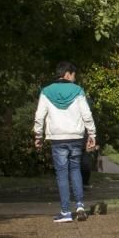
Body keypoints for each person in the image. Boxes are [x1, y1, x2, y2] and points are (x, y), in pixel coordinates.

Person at [33, 61, 97, 223]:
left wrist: (38, 136)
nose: (75, 79)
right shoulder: (78, 91)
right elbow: (87, 114)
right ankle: (81, 205)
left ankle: (65, 212)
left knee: (62, 174)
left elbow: (39, 116)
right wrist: (92, 134)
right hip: (76, 137)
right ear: (67, 74)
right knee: (75, 169)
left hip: (57, 138)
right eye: (74, 75)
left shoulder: (46, 91)